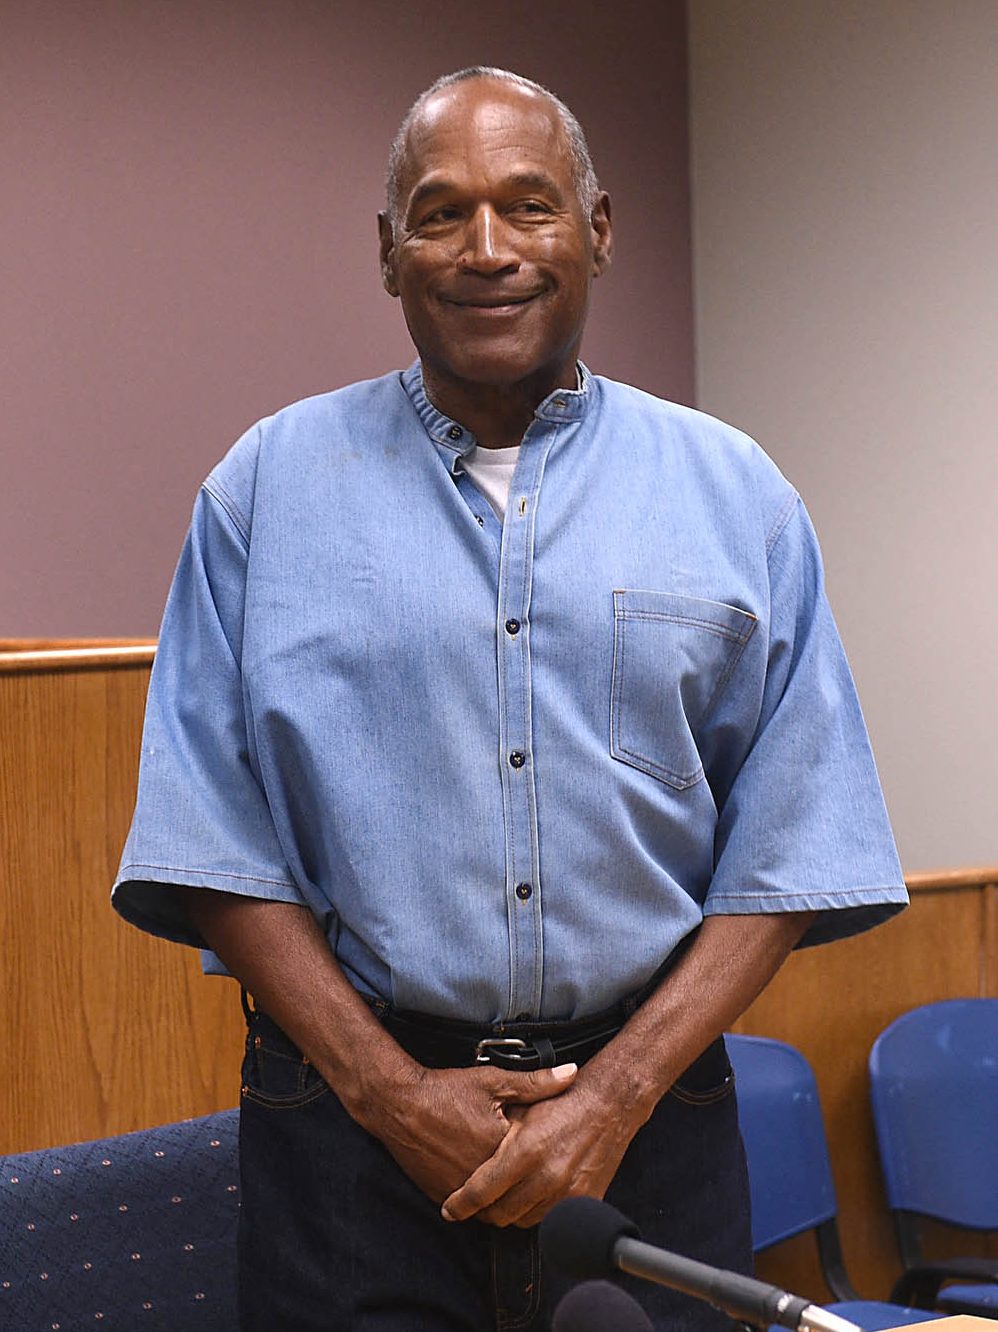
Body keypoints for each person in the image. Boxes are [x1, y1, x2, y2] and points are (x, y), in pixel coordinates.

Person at [112, 66, 908, 1331]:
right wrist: (388, 1095)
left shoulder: (733, 493)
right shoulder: (262, 492)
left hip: (653, 1127)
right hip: (349, 1145)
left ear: (596, 227)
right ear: (388, 253)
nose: (487, 250)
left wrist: (612, 1095)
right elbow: (213, 842)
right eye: (441, 213)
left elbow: (795, 842)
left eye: (528, 207)